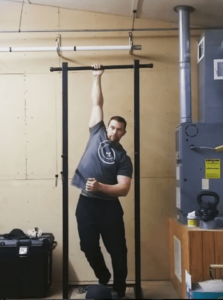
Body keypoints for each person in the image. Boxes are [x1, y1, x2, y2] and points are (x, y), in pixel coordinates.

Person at [71, 63, 133, 299]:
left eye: (119, 130)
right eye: (112, 127)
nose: (114, 131)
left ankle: (118, 290)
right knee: (87, 246)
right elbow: (97, 103)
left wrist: (100, 186)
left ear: (123, 133)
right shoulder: (96, 132)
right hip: (86, 203)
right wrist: (97, 76)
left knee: (117, 250)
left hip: (108, 207)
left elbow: (124, 189)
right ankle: (103, 277)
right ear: (106, 126)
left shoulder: (124, 158)